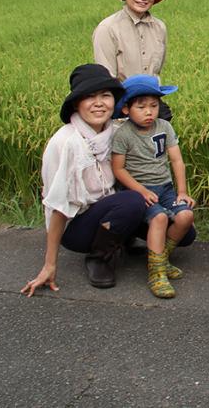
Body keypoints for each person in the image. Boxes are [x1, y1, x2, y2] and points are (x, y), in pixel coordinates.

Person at [22, 65, 148, 295]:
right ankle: (99, 259)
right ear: (76, 104)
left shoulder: (115, 131)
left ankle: (121, 240)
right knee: (132, 201)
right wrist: (50, 264)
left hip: (109, 208)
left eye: (106, 96)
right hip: (77, 228)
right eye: (89, 97)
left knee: (182, 232)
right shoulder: (66, 143)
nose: (98, 103)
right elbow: (58, 206)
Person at [110, 75, 195, 299]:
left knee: (185, 216)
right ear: (126, 109)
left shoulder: (164, 127)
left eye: (154, 106)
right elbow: (118, 169)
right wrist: (140, 190)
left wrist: (182, 192)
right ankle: (156, 273)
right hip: (138, 190)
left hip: (165, 188)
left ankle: (161, 259)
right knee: (159, 219)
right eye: (141, 107)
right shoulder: (123, 134)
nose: (149, 112)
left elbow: (176, 160)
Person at [93, 0, 170, 117]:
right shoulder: (108, 28)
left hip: (151, 108)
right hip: (122, 107)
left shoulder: (159, 27)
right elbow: (106, 79)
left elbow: (156, 70)